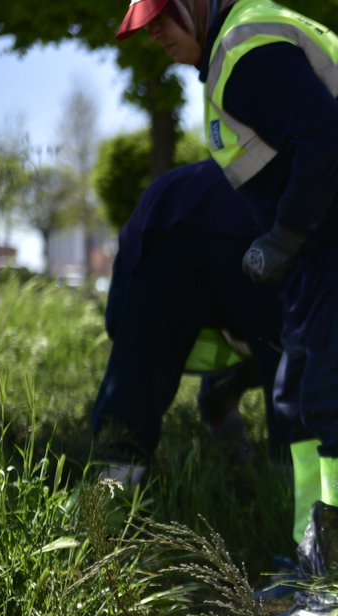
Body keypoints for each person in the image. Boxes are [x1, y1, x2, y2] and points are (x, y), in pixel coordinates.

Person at [116, 0, 338, 545]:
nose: (154, 33)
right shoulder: (232, 54)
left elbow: (326, 140)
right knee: (301, 397)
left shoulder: (245, 48)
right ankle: (316, 554)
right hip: (334, 243)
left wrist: (282, 236)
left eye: (162, 16)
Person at [92, 159, 286, 485]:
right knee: (288, 354)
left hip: (165, 212)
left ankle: (111, 490)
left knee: (137, 365)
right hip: (250, 224)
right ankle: (292, 494)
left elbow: (122, 328)